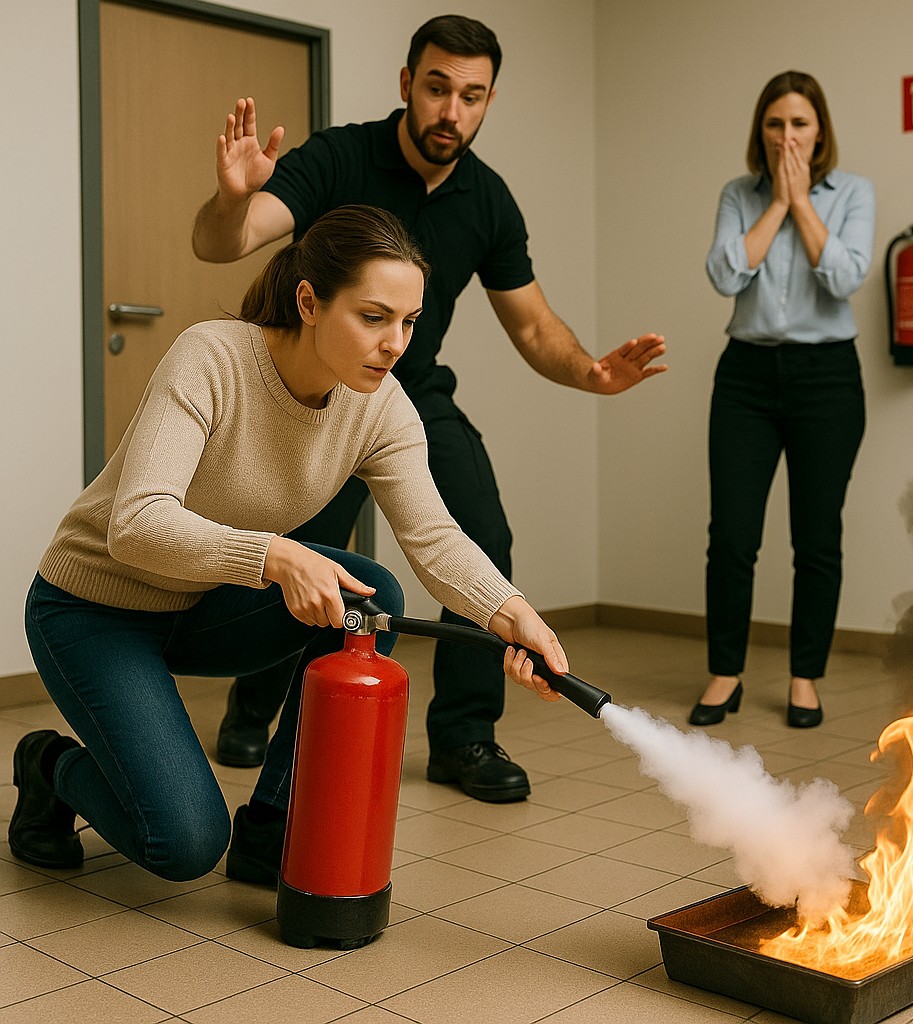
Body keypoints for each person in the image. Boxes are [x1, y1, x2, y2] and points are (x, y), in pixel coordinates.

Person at [10, 205, 569, 887]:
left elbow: (435, 539)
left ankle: (272, 827)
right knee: (184, 845)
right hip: (92, 611)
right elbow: (137, 524)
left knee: (372, 597)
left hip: (205, 606)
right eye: (373, 317)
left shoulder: (381, 407)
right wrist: (275, 555)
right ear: (309, 301)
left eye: (408, 322)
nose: (396, 343)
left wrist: (513, 616)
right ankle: (47, 768)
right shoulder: (213, 356)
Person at [191, 15, 666, 801]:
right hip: (317, 386)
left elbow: (534, 323)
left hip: (409, 392)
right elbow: (225, 241)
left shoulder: (489, 200)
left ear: (488, 102)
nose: (453, 111)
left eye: (472, 96)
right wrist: (229, 199)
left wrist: (591, 373)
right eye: (439, 88)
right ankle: (256, 699)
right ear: (407, 84)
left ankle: (465, 737)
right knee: (301, 545)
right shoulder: (340, 156)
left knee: (481, 530)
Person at [692, 70, 875, 730]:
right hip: (746, 377)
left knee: (817, 538)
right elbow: (723, 273)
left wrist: (804, 205)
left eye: (800, 123)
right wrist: (776, 201)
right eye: (776, 124)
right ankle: (725, 674)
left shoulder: (854, 193)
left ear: (819, 129)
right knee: (732, 536)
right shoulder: (738, 195)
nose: (788, 135)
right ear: (760, 131)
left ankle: (805, 678)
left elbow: (847, 276)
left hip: (827, 378)